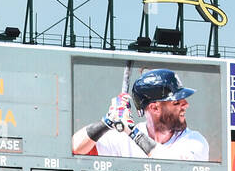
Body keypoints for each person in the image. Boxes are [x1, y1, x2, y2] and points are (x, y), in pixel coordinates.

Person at [70, 68, 210, 161]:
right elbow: (74, 148)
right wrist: (107, 121)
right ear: (154, 108)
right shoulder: (124, 138)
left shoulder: (194, 141)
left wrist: (133, 133)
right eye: (176, 102)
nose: (186, 104)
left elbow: (172, 166)